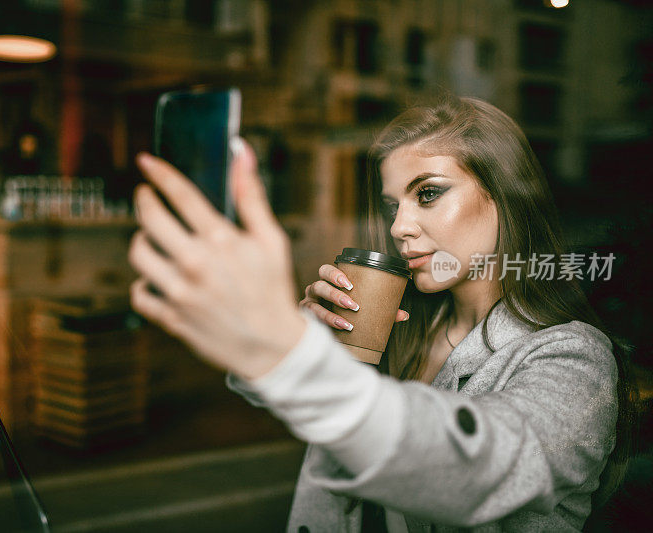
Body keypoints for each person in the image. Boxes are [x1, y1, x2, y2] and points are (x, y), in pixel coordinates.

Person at [128, 96, 634, 531]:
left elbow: (475, 470)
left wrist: (291, 351)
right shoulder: (396, 326)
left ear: (504, 195)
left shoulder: (573, 357)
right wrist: (307, 339)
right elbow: (295, 404)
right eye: (393, 205)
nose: (399, 227)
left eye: (428, 194)